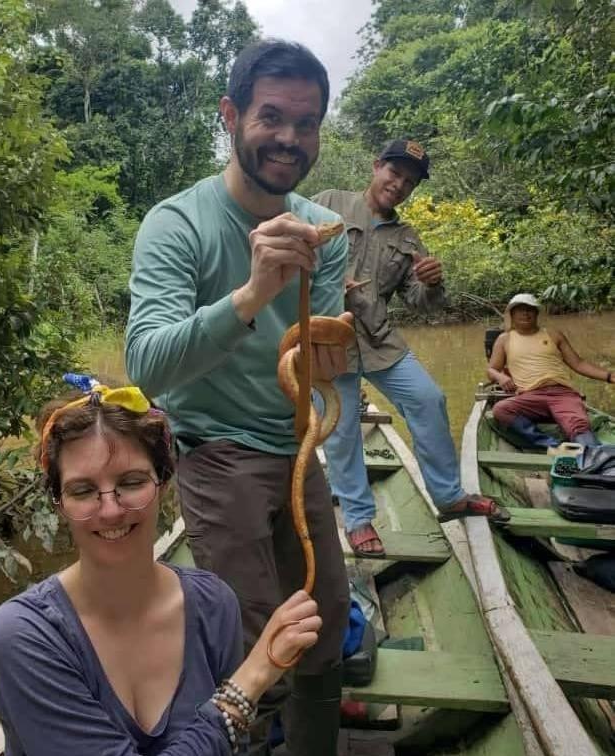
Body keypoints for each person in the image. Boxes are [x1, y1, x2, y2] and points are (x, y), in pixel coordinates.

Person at [125, 40, 351, 756]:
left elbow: (321, 363)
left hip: (297, 446)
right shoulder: (177, 225)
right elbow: (147, 366)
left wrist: (338, 348)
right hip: (216, 451)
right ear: (231, 115)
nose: (289, 138)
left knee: (325, 620)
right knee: (248, 635)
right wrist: (253, 294)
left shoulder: (325, 232)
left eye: (307, 122)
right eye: (272, 116)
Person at [0, 377, 322, 756]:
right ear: (58, 502)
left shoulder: (214, 605)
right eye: (82, 490)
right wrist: (251, 680)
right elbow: (231, 718)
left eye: (131, 482)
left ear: (162, 483)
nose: (110, 510)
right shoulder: (24, 636)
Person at [313, 140, 507, 558]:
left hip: (379, 339)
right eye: (394, 173)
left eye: (409, 182)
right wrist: (324, 283)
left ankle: (448, 495)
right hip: (327, 338)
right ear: (376, 166)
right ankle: (359, 519)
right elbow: (287, 248)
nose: (399, 185)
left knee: (429, 399)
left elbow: (417, 302)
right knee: (342, 429)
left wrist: (433, 283)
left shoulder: (408, 237)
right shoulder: (328, 203)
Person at [487, 293, 613, 449]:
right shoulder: (504, 339)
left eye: (530, 309)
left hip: (561, 393)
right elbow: (491, 369)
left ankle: (595, 456)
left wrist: (609, 376)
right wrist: (501, 377)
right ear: (512, 314)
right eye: (520, 310)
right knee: (501, 409)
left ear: (537, 313)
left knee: (578, 426)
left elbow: (578, 364)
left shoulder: (553, 334)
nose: (525, 313)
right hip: (530, 397)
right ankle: (552, 445)